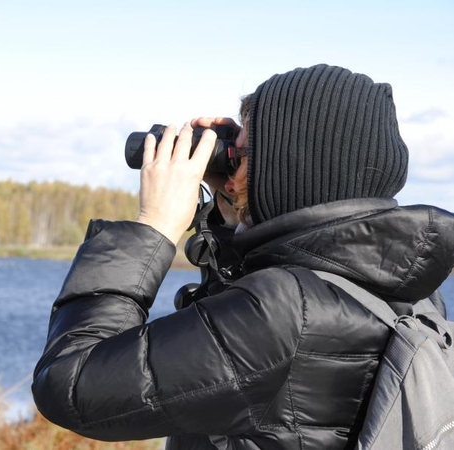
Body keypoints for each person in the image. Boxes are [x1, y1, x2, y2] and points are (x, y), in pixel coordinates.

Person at [31, 64, 454, 449]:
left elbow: (72, 385)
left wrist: (153, 226)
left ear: (290, 164)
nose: (229, 168)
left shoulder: (283, 309)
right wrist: (231, 208)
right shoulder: (403, 289)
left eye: (241, 155)